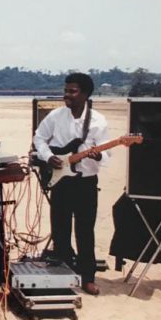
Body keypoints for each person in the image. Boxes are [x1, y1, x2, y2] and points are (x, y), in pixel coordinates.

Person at [33, 72, 108, 296]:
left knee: (85, 232)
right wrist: (48, 157)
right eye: (66, 90)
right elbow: (39, 138)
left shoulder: (98, 121)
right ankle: (63, 274)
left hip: (85, 183)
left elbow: (106, 153)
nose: (67, 95)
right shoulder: (56, 116)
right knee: (60, 230)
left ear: (85, 94)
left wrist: (97, 156)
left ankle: (87, 278)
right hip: (60, 181)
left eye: (72, 91)